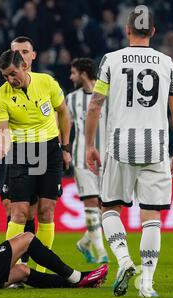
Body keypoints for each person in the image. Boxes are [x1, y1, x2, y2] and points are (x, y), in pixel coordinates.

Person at [85, 8, 173, 298]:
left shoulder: (111, 61)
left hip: (119, 145)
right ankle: (147, 284)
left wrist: (90, 145)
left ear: (127, 29)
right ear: (153, 32)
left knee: (110, 209)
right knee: (151, 215)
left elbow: (95, 105)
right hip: (156, 146)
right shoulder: (166, 62)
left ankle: (125, 261)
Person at [0, 49, 71, 273]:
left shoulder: (47, 82)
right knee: (19, 213)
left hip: (50, 150)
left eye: (13, 74)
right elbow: (4, 131)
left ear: (24, 66)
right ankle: (10, 268)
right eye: (5, 76)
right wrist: (1, 144)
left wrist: (65, 147)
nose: (10, 80)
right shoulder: (1, 96)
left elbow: (64, 112)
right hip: (21, 152)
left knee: (46, 211)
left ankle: (41, 271)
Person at [0, 36, 38, 271]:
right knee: (12, 208)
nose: (21, 56)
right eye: (17, 52)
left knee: (31, 211)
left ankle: (25, 261)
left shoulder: (42, 82)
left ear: (32, 55)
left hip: (37, 153)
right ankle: (10, 264)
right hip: (7, 153)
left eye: (25, 52)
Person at [66, 58, 109, 264]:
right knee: (91, 201)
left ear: (83, 74)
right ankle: (100, 251)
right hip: (81, 157)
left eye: (73, 73)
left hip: (107, 158)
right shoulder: (71, 99)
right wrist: (64, 149)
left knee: (105, 204)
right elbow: (64, 128)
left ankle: (85, 242)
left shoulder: (106, 95)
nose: (70, 77)